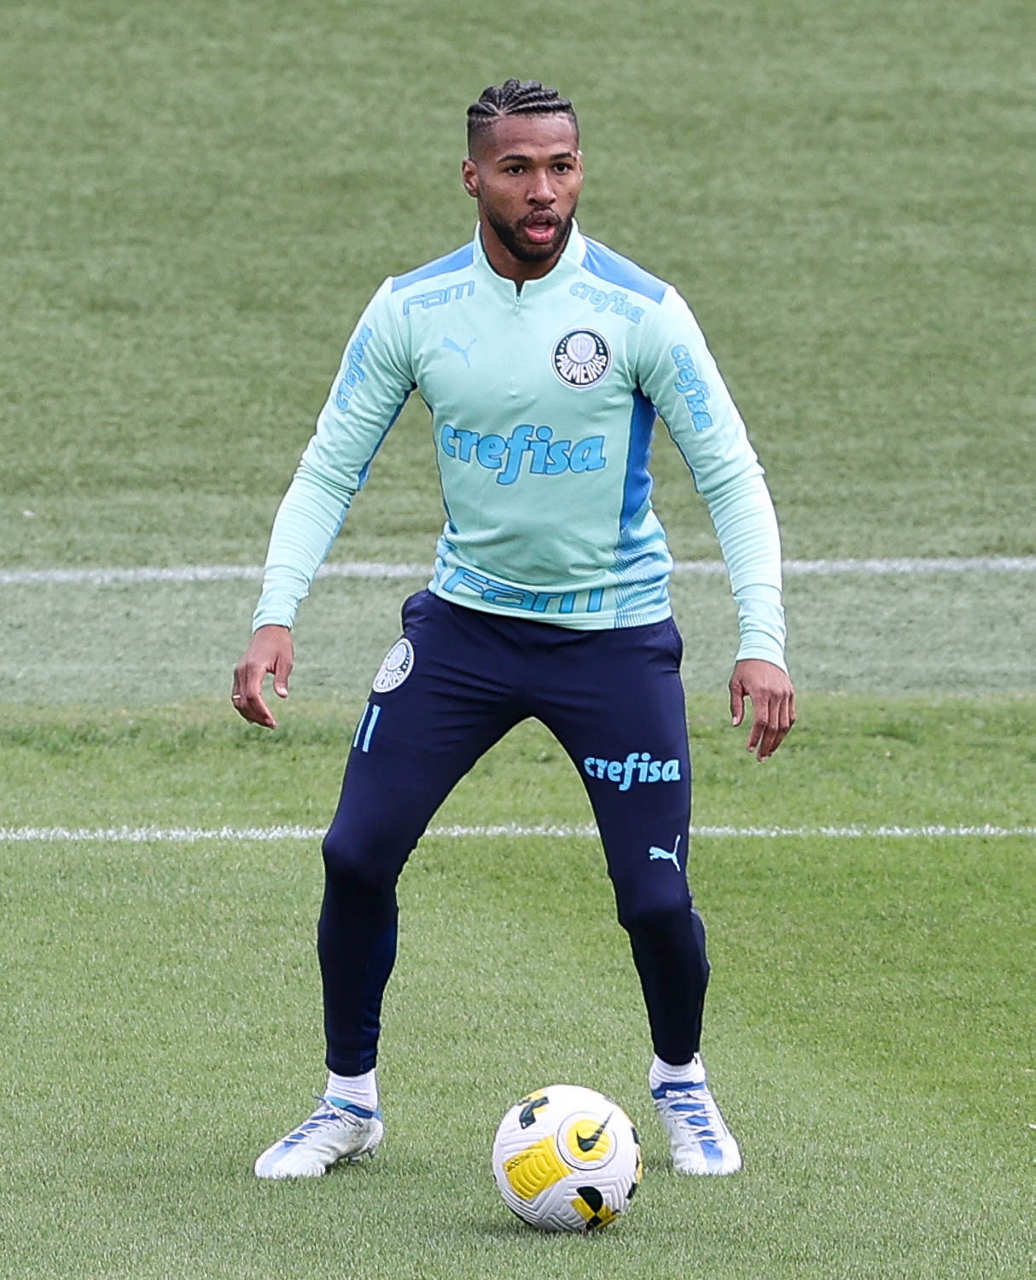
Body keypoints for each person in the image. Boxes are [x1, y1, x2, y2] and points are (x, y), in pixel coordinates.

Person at [232, 78, 795, 1181]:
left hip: (614, 639)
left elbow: (732, 473)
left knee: (656, 898)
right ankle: (348, 1102)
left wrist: (760, 637)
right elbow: (330, 465)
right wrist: (273, 614)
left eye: (562, 167)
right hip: (464, 633)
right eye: (519, 168)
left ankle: (680, 1078)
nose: (544, 191)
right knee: (354, 852)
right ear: (472, 176)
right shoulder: (413, 309)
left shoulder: (640, 311)